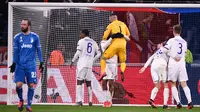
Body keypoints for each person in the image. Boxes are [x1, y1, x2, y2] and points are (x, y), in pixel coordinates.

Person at [9, 19, 44, 112]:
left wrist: (41, 62)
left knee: (31, 85)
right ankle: (21, 100)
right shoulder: (17, 37)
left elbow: (39, 50)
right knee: (18, 85)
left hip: (31, 65)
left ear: (28, 26)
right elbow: (15, 52)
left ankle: (29, 105)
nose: (22, 26)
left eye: (24, 24)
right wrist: (14, 63)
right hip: (20, 65)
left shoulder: (35, 37)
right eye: (21, 24)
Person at [164, 24, 193, 109]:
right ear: (180, 31)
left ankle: (178, 103)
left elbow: (165, 50)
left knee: (173, 83)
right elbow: (184, 53)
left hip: (173, 64)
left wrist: (172, 55)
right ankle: (190, 102)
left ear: (173, 31)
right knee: (184, 84)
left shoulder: (171, 40)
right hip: (181, 64)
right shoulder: (184, 42)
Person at [70, 29, 101, 106]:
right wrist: (92, 60)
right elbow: (99, 54)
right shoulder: (93, 42)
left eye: (81, 33)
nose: (80, 35)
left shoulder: (81, 41)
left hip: (82, 64)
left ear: (84, 34)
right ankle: (90, 101)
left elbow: (78, 52)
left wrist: (73, 61)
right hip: (89, 65)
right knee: (88, 82)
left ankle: (79, 101)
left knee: (79, 81)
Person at [100, 13, 130, 82]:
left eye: (109, 18)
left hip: (115, 44)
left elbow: (105, 36)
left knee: (103, 58)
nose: (109, 20)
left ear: (113, 18)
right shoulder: (123, 24)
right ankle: (122, 71)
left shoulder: (111, 25)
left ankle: (103, 72)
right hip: (123, 44)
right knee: (123, 61)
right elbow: (128, 35)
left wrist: (106, 39)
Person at [139, 43, 170, 109]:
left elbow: (150, 58)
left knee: (157, 86)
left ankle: (151, 99)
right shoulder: (168, 50)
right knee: (166, 85)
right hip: (162, 65)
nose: (158, 45)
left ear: (161, 44)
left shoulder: (157, 52)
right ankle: (165, 105)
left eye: (159, 44)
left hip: (153, 66)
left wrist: (144, 67)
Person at [100, 38, 118, 107]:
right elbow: (104, 47)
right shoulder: (103, 42)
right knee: (104, 83)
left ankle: (110, 101)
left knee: (111, 83)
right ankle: (105, 100)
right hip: (105, 65)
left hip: (113, 65)